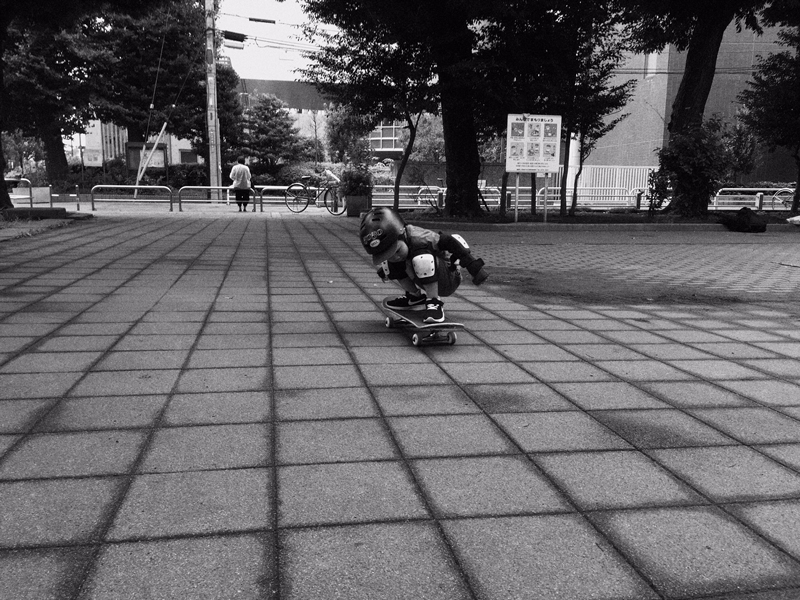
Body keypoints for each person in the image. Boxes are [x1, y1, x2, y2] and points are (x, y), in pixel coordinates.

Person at [359, 207, 489, 324]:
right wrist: (387, 270)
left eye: (397, 250)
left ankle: (434, 303)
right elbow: (394, 258)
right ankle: (414, 297)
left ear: (402, 234)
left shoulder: (419, 236)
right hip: (423, 277)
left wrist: (472, 265)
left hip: (448, 278)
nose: (396, 256)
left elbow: (449, 241)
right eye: (389, 254)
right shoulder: (397, 250)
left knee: (421, 257)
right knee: (389, 263)